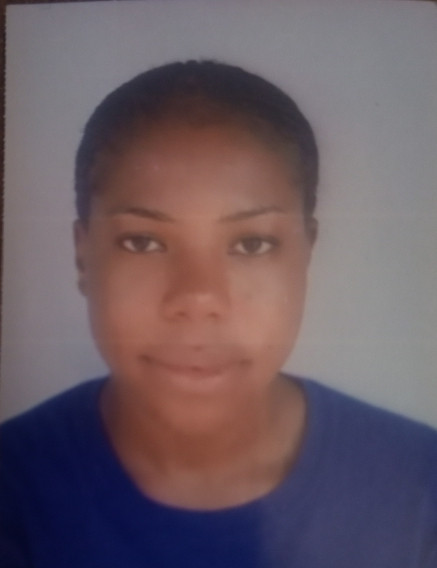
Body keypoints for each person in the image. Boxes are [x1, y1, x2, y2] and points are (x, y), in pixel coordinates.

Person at [1, 60, 436, 568]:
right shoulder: (13, 487)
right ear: (84, 257)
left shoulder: (420, 488)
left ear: (306, 255)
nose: (198, 297)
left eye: (251, 244)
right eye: (143, 242)